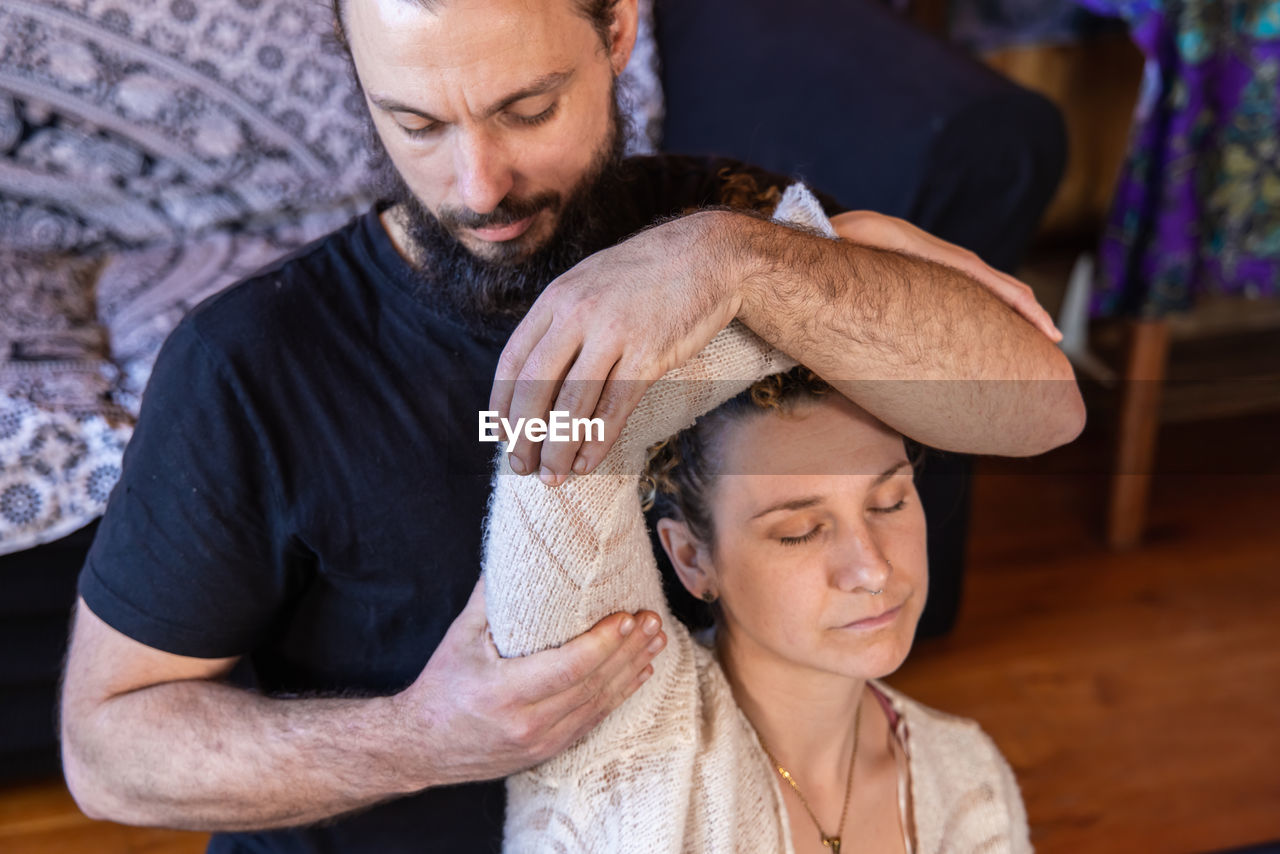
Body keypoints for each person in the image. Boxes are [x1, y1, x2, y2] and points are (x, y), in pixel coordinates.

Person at [58, 0, 1083, 851]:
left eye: (526, 108)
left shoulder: (729, 231)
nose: (477, 186)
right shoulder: (254, 359)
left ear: (618, 32)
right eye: (415, 124)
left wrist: (742, 261)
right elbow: (108, 750)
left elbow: (1040, 407)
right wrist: (423, 735)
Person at [483, 189, 1029, 853]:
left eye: (889, 501)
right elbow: (556, 449)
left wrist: (803, 272)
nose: (873, 567)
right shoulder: (620, 743)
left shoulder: (968, 778)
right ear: (691, 559)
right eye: (799, 530)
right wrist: (776, 259)